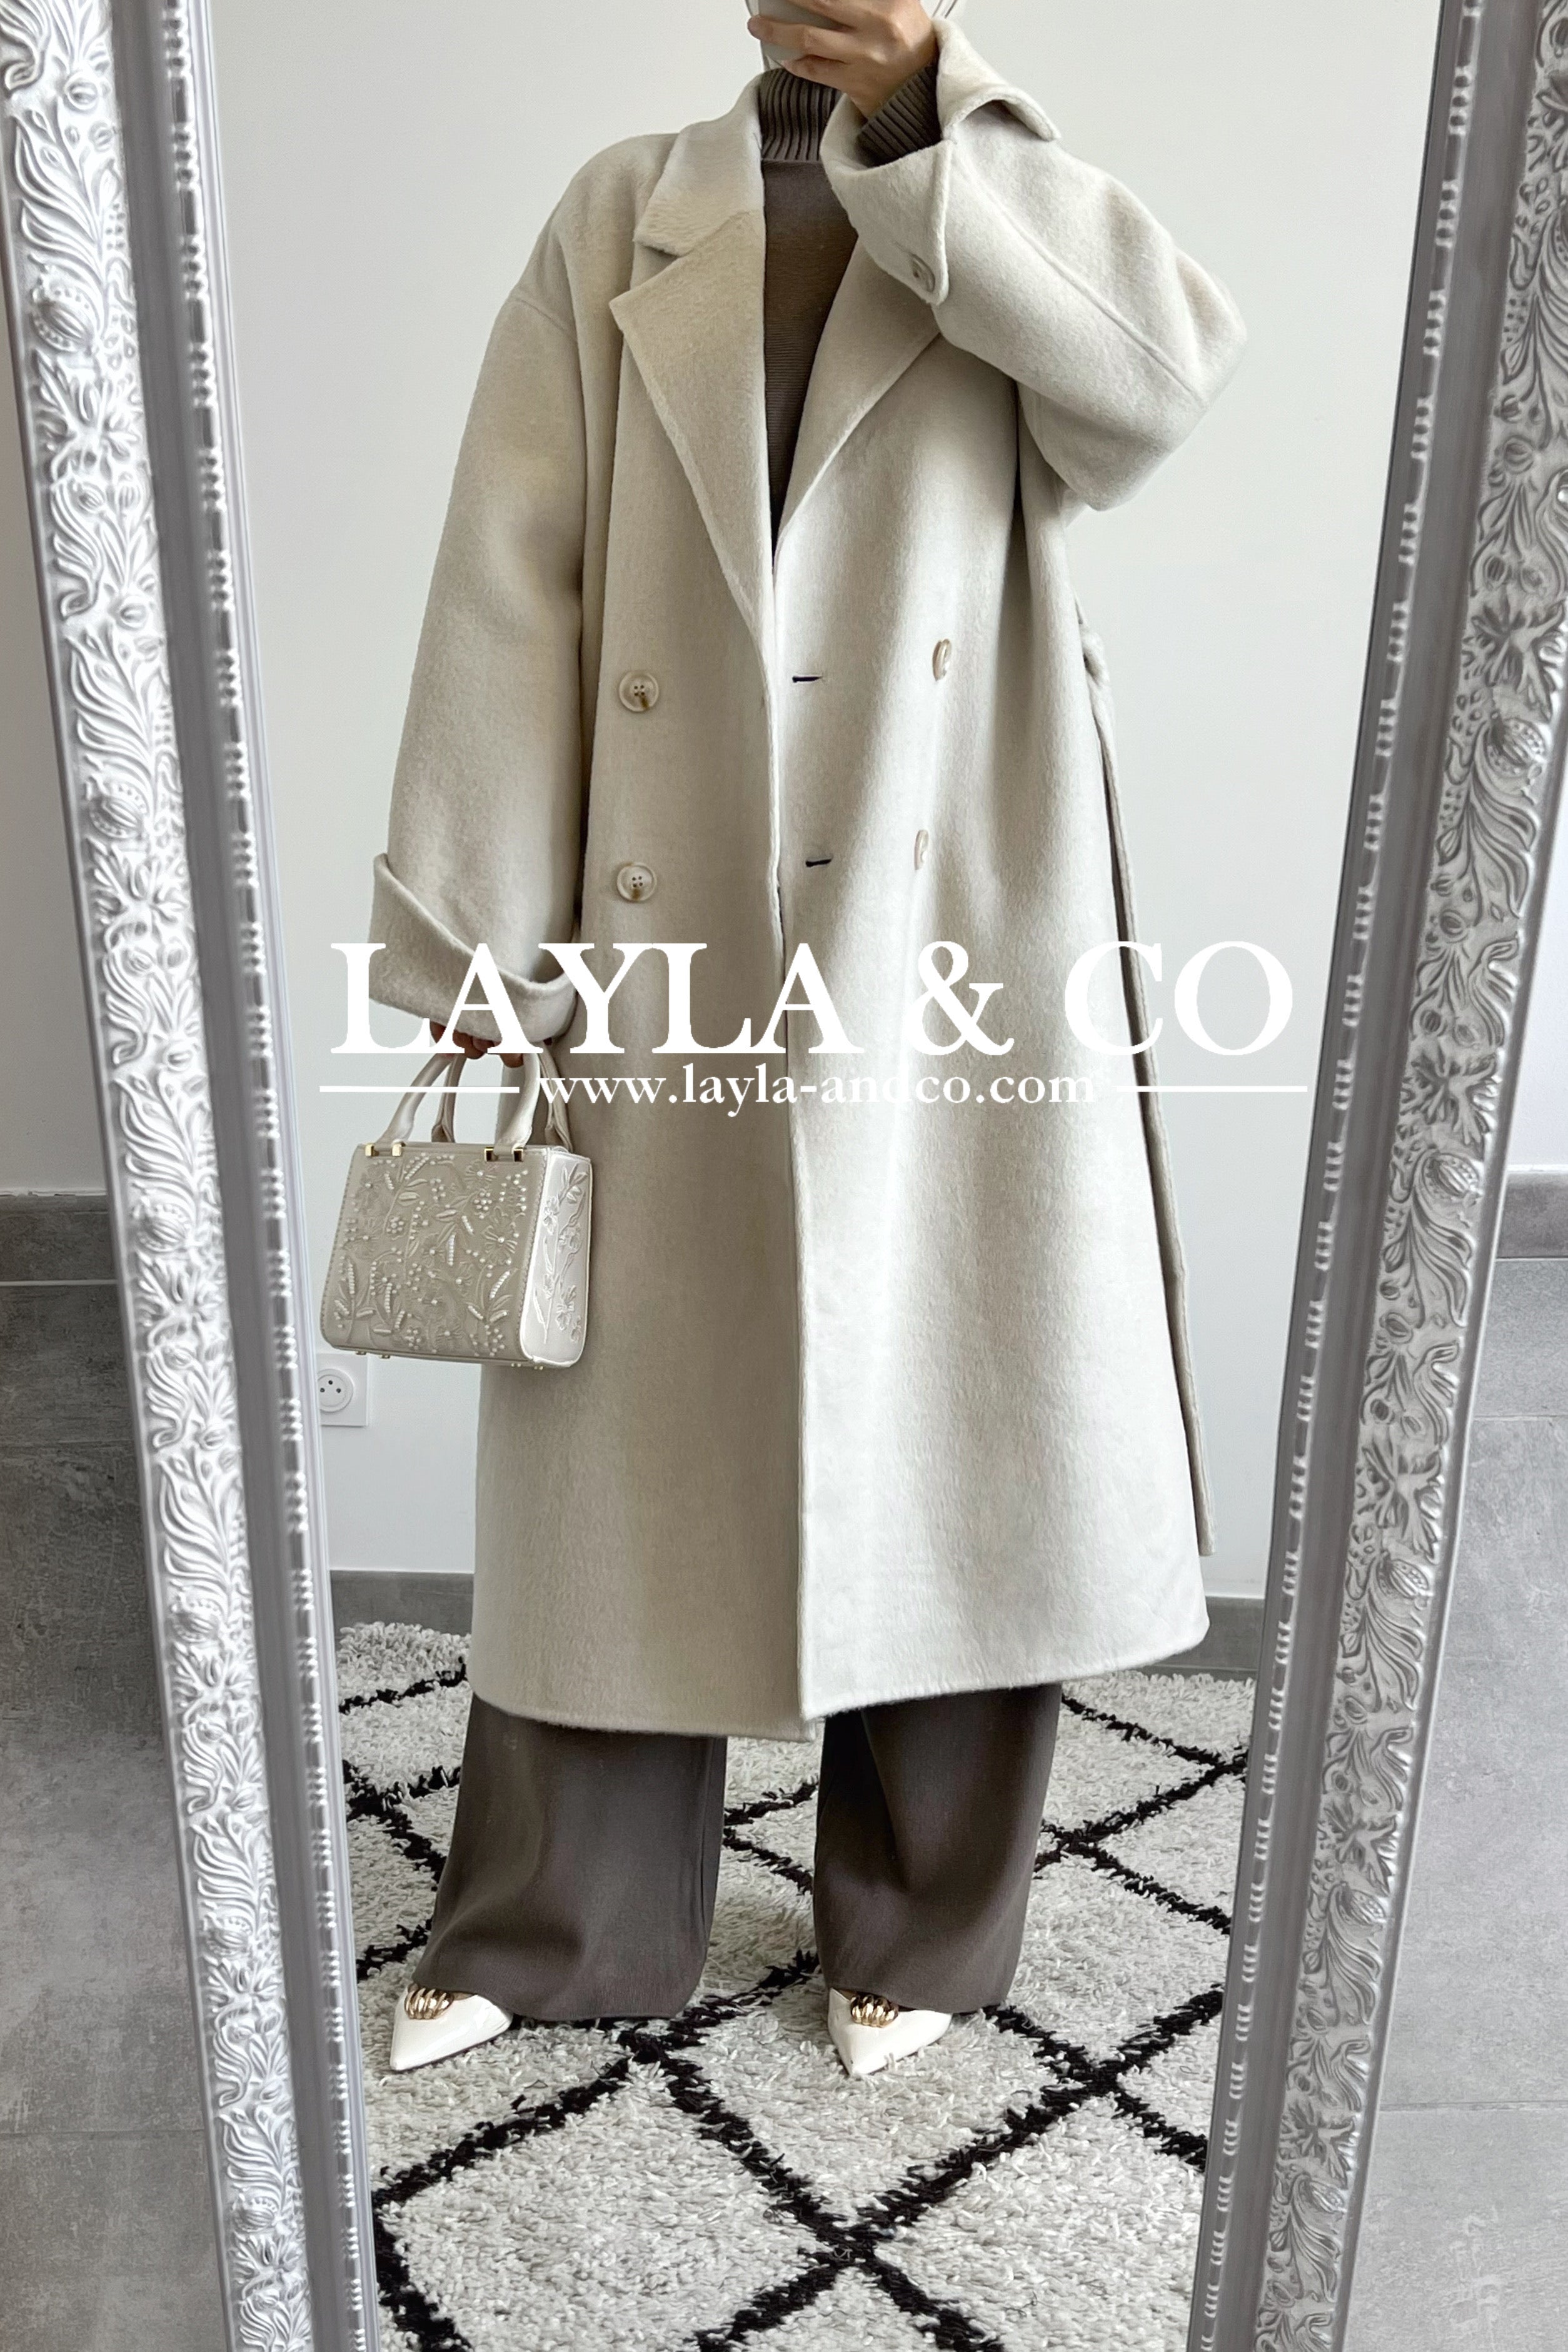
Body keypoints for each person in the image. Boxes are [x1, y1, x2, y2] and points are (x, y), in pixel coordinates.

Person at [368, 0, 1245, 2078]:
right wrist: (483, 935)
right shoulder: (623, 210)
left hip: (950, 897)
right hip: (659, 888)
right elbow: (512, 569)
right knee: (618, 1420)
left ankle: (919, 1927)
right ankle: (560, 1915)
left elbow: (1153, 385)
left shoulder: (997, 201)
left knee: (956, 1389)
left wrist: (935, 104)